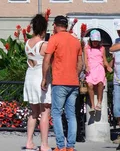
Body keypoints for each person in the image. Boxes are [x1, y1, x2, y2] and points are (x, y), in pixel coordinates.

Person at [42, 15, 82, 151]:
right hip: (73, 83)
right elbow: (80, 63)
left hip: (60, 82)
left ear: (55, 25)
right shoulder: (76, 41)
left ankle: (60, 146)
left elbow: (46, 60)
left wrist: (43, 78)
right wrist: (74, 75)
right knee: (71, 115)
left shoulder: (54, 39)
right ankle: (70, 146)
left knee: (56, 113)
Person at [23, 14, 51, 151]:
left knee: (33, 112)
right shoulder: (44, 45)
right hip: (41, 78)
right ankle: (44, 144)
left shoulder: (27, 43)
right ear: (44, 29)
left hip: (29, 76)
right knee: (45, 112)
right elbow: (48, 62)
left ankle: (29, 141)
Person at [84, 29, 112, 112]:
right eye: (93, 41)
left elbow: (104, 60)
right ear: (91, 40)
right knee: (90, 85)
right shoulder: (86, 48)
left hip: (99, 68)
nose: (95, 42)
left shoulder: (102, 48)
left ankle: (99, 103)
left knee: (100, 83)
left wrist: (107, 67)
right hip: (91, 68)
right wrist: (86, 66)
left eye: (96, 41)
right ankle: (92, 105)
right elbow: (85, 59)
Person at [109, 20, 120, 143]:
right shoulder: (116, 41)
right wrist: (108, 67)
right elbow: (112, 51)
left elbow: (113, 49)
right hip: (117, 79)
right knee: (117, 108)